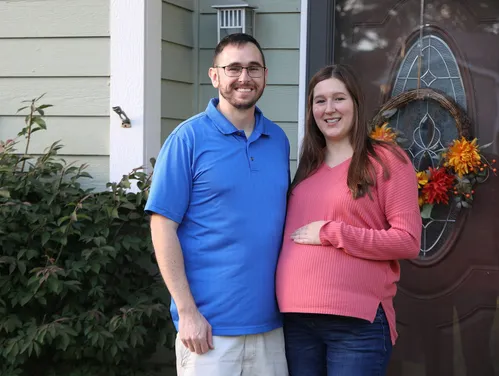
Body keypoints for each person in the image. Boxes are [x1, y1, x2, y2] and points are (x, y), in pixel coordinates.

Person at [145, 33, 290, 376]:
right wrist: (188, 312)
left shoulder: (278, 141)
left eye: (254, 68)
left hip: (271, 326)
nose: (244, 77)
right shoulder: (188, 139)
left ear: (265, 75)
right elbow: (162, 226)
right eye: (234, 68)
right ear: (215, 76)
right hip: (208, 331)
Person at [275, 64, 422, 376]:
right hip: (296, 320)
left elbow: (408, 241)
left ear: (356, 103)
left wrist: (332, 232)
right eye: (320, 100)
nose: (329, 109)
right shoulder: (307, 167)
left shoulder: (386, 161)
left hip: (356, 324)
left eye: (338, 98)